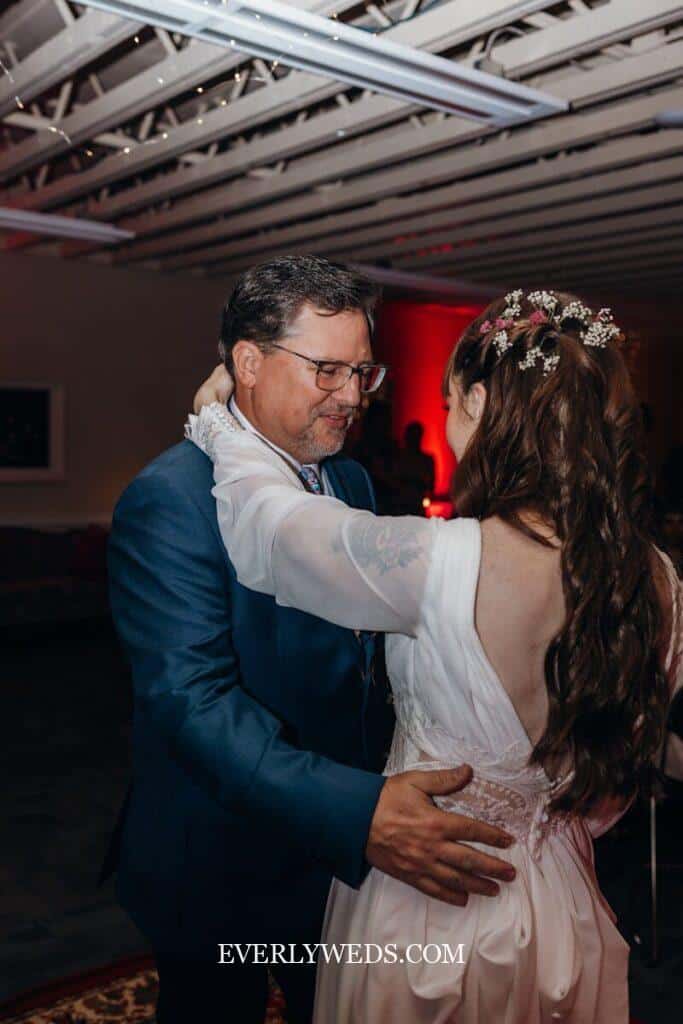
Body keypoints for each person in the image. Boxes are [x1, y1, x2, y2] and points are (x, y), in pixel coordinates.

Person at [188, 288, 682, 1023]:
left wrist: (220, 423)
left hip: (431, 903)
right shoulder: (660, 580)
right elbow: (620, 768)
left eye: (451, 399)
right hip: (560, 899)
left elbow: (275, 529)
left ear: (479, 402)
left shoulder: (441, 560)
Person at [104, 256, 516, 1024]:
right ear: (249, 364)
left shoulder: (350, 483)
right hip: (220, 854)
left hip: (334, 853)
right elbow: (191, 704)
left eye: (363, 372)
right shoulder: (170, 500)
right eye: (328, 370)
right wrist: (359, 811)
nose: (353, 397)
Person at [394, 421, 436, 515]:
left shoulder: (426, 460)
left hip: (417, 506)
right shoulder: (399, 458)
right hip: (401, 506)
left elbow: (431, 485)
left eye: (416, 436)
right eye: (412, 436)